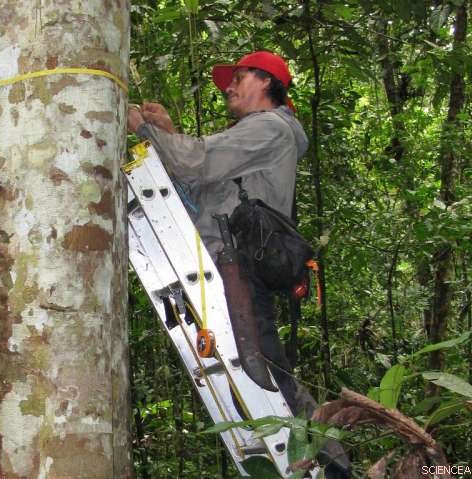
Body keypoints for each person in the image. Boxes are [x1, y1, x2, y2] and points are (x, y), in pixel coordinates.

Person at [128, 51, 351, 477]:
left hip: (239, 267)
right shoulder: (256, 134)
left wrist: (144, 128)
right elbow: (200, 185)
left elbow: (194, 160)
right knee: (261, 369)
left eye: (238, 77)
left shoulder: (270, 128)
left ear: (266, 81)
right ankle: (328, 462)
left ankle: (333, 467)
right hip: (228, 263)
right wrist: (167, 134)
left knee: (266, 372)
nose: (228, 87)